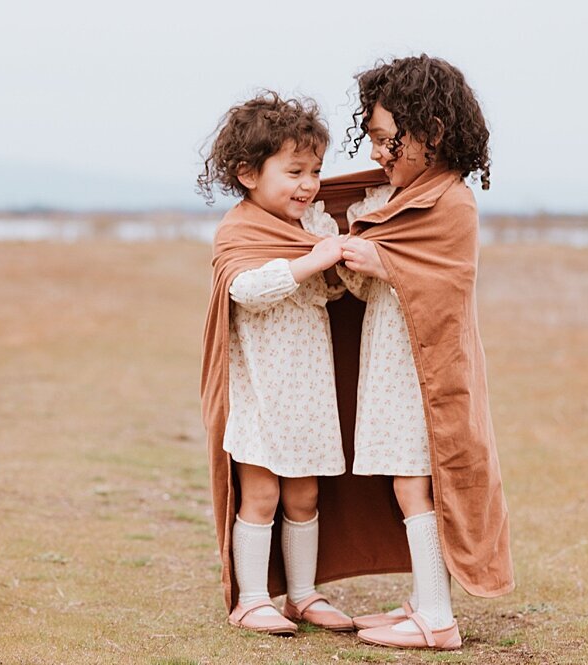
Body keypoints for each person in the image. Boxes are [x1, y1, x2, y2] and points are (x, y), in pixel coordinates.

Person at [327, 54, 515, 650]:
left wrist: (383, 261)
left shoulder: (450, 201)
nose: (379, 153)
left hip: (425, 369)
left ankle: (437, 620)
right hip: (393, 361)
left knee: (415, 482)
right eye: (374, 139)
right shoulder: (407, 195)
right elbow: (379, 274)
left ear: (431, 133)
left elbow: (447, 282)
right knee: (403, 481)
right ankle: (423, 600)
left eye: (390, 140)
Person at [195, 91, 359, 636]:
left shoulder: (317, 223)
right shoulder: (239, 229)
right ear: (247, 173)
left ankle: (304, 594)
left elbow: (338, 289)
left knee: (305, 495)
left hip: (309, 389)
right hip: (260, 391)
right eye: (293, 171)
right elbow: (244, 289)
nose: (309, 184)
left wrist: (347, 255)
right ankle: (252, 599)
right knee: (261, 493)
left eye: (315, 170)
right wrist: (310, 260)